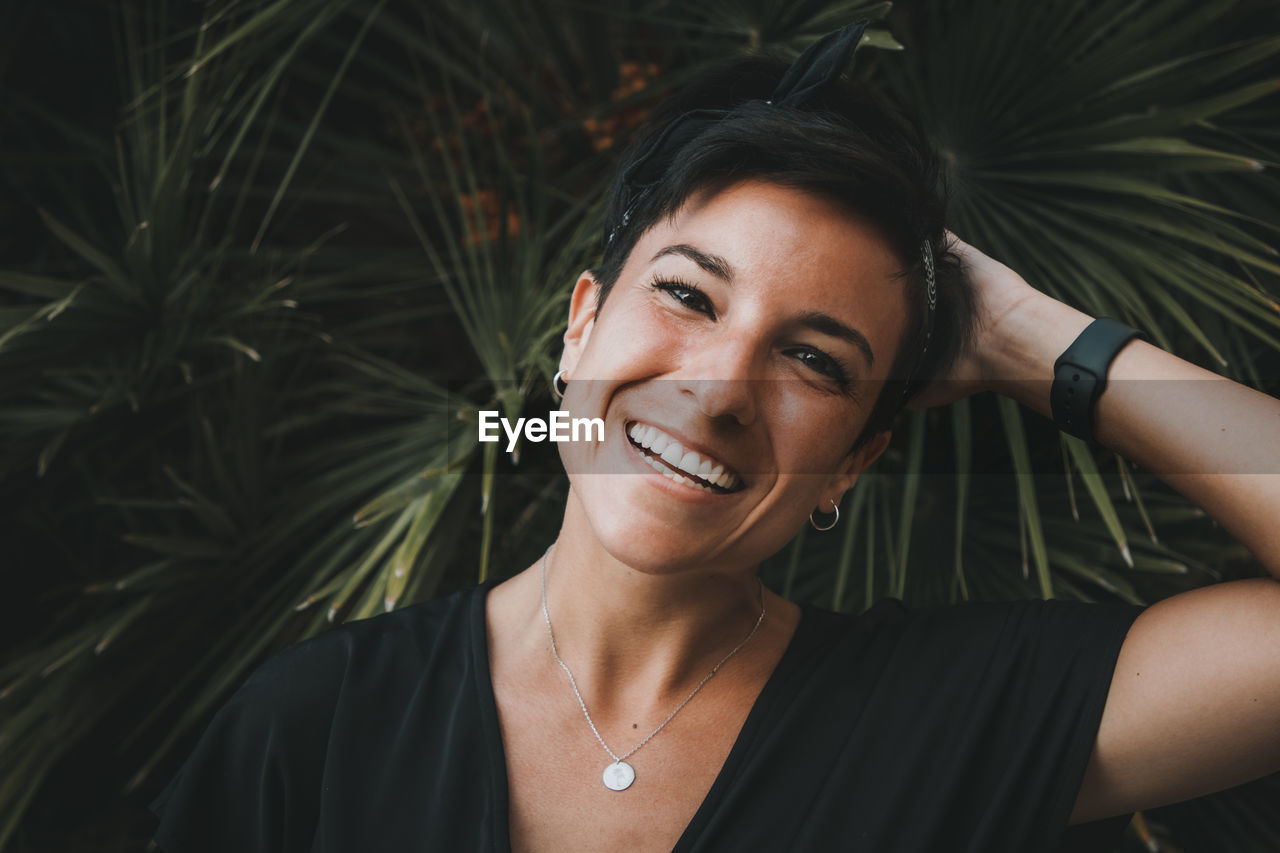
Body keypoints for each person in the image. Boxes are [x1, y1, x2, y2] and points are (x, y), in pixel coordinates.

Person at [147, 21, 1280, 853]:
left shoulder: (942, 718)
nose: (721, 387)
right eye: (688, 297)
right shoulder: (315, 730)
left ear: (854, 457)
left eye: (816, 359)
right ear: (580, 325)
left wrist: (1031, 337)